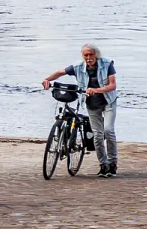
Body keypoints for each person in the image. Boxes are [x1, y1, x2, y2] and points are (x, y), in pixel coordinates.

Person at [42, 44, 119, 178]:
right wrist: (47, 79)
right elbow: (60, 72)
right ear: (82, 56)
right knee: (97, 135)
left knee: (108, 131)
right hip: (91, 104)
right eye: (86, 55)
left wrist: (96, 90)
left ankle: (113, 163)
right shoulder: (78, 66)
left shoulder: (107, 64)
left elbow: (113, 85)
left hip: (108, 102)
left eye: (91, 55)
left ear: (96, 55)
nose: (89, 58)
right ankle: (103, 165)